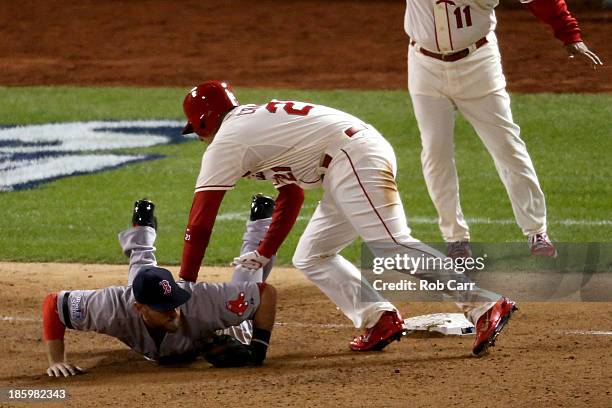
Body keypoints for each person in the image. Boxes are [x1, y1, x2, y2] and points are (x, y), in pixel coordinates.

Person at [178, 80, 516, 355]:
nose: (199, 137)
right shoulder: (251, 127)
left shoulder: (227, 141)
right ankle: (378, 317)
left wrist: (185, 285)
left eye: (196, 129)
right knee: (311, 255)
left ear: (205, 120)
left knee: (391, 246)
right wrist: (265, 251)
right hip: (349, 160)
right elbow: (291, 195)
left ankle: (484, 305)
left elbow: (200, 221)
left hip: (352, 158)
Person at [404, 0, 603, 258]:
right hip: (424, 65)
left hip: (478, 63)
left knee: (506, 145)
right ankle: (455, 238)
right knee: (435, 151)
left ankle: (536, 231)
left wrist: (569, 34)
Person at [42, 199, 277, 377]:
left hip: (206, 321)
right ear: (139, 309)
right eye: (163, 307)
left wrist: (258, 349)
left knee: (244, 284)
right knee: (142, 277)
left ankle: (261, 220)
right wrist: (56, 361)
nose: (173, 310)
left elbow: (265, 293)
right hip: (135, 303)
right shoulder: (112, 308)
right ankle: (142, 226)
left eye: (173, 302)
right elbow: (54, 303)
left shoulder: (201, 303)